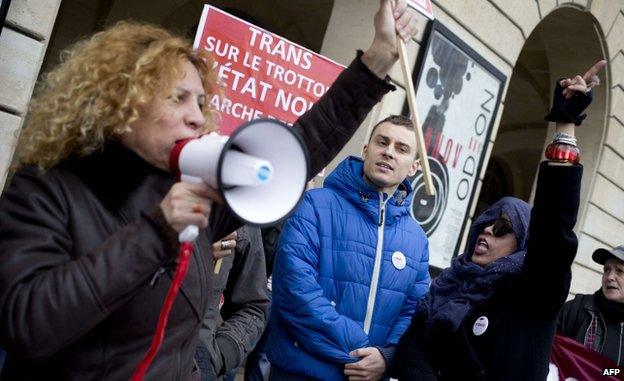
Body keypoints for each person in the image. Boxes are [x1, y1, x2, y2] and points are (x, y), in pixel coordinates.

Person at [0, 0, 420, 379]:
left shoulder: (192, 189)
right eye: (178, 99)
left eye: (200, 103)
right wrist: (156, 230)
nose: (196, 118)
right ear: (119, 102)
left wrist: (379, 57)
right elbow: (28, 326)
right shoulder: (44, 189)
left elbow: (302, 147)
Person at [390, 60, 607, 380]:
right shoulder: (446, 287)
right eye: (485, 223)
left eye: (503, 229)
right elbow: (414, 345)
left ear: (523, 243)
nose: (488, 230)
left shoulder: (534, 290)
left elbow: (553, 232)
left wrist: (564, 127)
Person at [267, 114, 431, 381]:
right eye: (382, 142)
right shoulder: (316, 205)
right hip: (302, 371)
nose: (389, 152)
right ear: (366, 150)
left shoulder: (417, 240)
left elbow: (415, 311)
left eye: (401, 149)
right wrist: (362, 349)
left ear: (413, 167)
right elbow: (294, 289)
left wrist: (386, 356)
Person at [195, 227, 269, 380]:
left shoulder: (241, 219)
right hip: (139, 358)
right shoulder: (145, 208)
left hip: (202, 369)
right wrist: (193, 256)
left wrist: (220, 355)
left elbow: (253, 306)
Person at [557, 245, 624, 366]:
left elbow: (618, 374)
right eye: (607, 270)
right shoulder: (575, 309)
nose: (609, 277)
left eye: (619, 271)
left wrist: (605, 374)